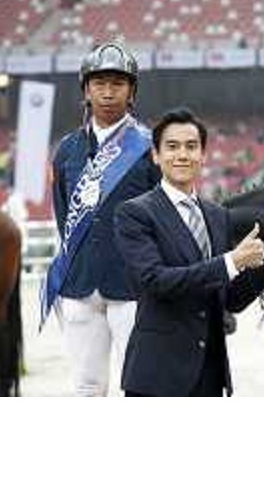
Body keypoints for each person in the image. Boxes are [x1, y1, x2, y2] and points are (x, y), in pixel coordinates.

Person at [114, 108, 264, 396]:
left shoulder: (218, 216)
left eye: (191, 147)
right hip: (157, 376)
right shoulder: (134, 213)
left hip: (211, 373)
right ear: (155, 155)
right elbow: (156, 282)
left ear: (203, 155)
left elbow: (231, 298)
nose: (182, 154)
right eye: (172, 146)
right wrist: (231, 260)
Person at [43, 42, 161, 396]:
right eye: (99, 84)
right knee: (86, 387)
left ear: (132, 91)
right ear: (86, 90)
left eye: (117, 84)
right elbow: (65, 214)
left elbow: (162, 218)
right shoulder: (66, 150)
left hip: (133, 285)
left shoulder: (150, 146)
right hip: (80, 284)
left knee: (138, 387)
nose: (108, 93)